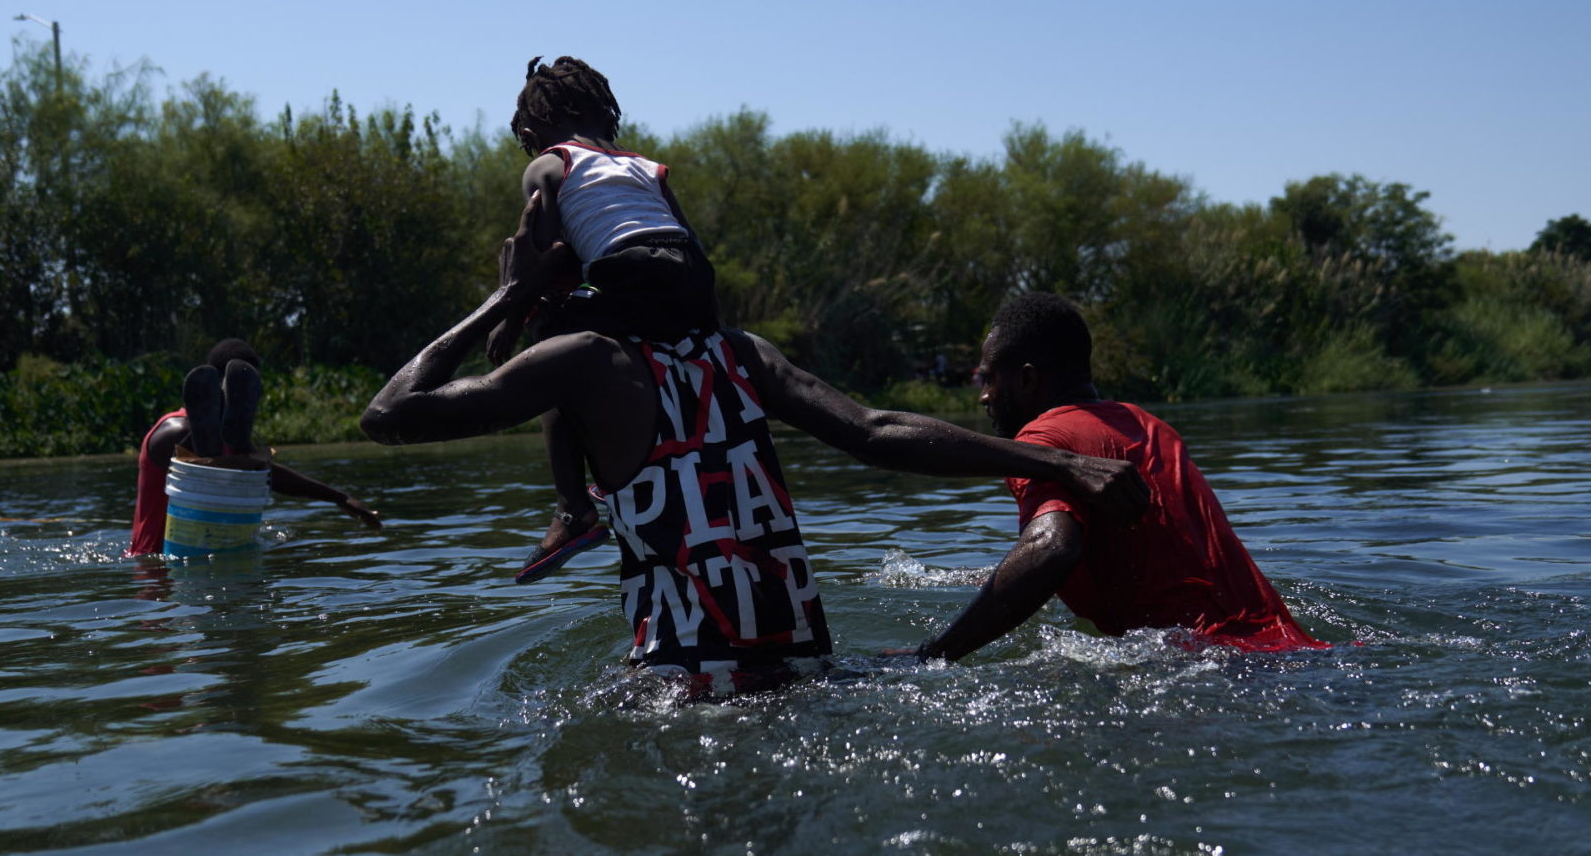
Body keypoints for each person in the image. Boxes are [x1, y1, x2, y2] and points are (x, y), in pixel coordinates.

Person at [360, 220, 1151, 694]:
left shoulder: (586, 363)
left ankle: (574, 516)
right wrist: (1059, 464)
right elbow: (876, 429)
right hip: (805, 683)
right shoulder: (743, 356)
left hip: (679, 692)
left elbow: (389, 413)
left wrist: (509, 295)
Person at [913, 292, 1326, 661]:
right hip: (1294, 653)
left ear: (1026, 379)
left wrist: (934, 655)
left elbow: (1051, 550)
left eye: (988, 378)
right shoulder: (1149, 426)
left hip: (1213, 665)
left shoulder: (1043, 438)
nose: (984, 395)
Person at [486, 56, 719, 583]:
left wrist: (509, 320)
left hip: (628, 271)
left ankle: (573, 510)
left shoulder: (550, 164)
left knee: (554, 353)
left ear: (531, 130)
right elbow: (688, 243)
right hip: (691, 281)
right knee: (653, 352)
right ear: (604, 116)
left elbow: (544, 258)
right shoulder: (646, 166)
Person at [128, 338, 382, 558]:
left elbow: (272, 475)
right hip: (159, 558)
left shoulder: (230, 439)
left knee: (248, 463)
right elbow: (267, 475)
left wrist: (339, 497)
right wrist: (250, 462)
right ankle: (218, 444)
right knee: (238, 462)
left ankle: (225, 453)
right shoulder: (171, 432)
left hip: (211, 553)